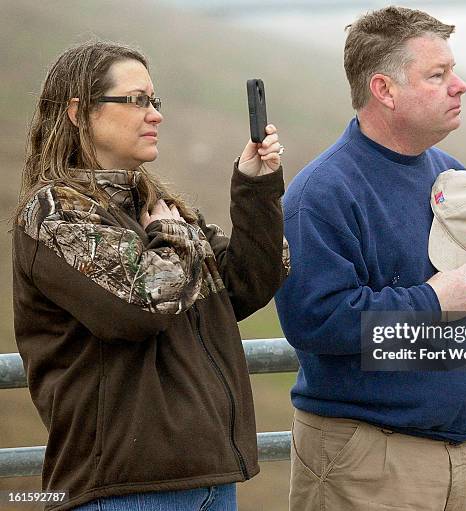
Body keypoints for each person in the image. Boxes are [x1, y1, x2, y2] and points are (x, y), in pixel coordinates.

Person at [12, 41, 289, 511]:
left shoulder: (158, 209)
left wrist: (256, 187)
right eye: (137, 100)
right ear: (79, 112)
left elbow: (249, 282)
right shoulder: (54, 215)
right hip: (122, 491)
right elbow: (143, 307)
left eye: (154, 101)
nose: (155, 114)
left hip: (211, 479)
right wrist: (168, 234)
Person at [275, 7, 466, 510]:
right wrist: (428, 301)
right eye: (437, 75)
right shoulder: (323, 194)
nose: (460, 86)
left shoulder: (454, 176)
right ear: (384, 89)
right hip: (368, 465)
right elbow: (314, 320)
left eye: (452, 71)